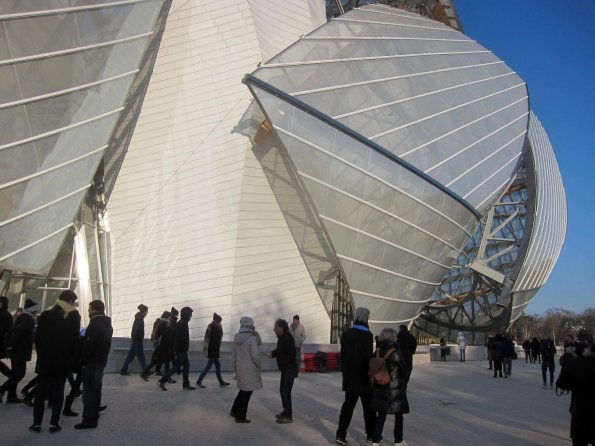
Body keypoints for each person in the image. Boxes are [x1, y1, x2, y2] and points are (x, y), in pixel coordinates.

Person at [30, 290, 81, 433]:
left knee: (40, 393)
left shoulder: (46, 315)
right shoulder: (73, 316)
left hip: (45, 361)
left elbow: (38, 339)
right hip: (62, 362)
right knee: (58, 392)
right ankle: (54, 423)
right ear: (70, 302)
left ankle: (36, 423)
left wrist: (42, 354)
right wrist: (70, 359)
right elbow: (74, 341)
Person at [335, 307, 375, 445]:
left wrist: (345, 372)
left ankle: (340, 435)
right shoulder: (368, 335)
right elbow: (368, 357)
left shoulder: (346, 334)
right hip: (364, 378)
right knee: (368, 408)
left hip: (350, 377)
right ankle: (371, 435)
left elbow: (343, 356)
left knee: (348, 407)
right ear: (366, 318)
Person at [74, 300, 113, 429]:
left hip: (91, 363)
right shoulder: (107, 325)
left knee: (89, 391)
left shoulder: (94, 325)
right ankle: (94, 415)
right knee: (96, 390)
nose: (88, 311)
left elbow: (88, 346)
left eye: (89, 309)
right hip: (101, 361)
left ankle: (89, 419)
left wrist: (82, 361)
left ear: (95, 309)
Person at [369, 328, 410, 446]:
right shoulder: (396, 352)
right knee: (399, 415)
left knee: (381, 415)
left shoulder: (377, 352)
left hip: (379, 386)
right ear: (393, 337)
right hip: (395, 388)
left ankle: (375, 440)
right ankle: (398, 440)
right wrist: (403, 383)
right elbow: (404, 370)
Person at [557, 342, 595, 446]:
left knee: (579, 438)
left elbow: (562, 382)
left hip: (582, 409)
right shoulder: (582, 363)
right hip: (583, 409)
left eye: (587, 348)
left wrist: (568, 354)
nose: (585, 350)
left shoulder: (584, 364)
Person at [0, 298, 37, 403]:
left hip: (16, 350)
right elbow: (19, 331)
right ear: (32, 309)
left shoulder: (22, 317)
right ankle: (2, 389)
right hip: (20, 351)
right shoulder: (28, 319)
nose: (37, 312)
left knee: (15, 373)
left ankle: (11, 396)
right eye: (35, 310)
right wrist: (12, 344)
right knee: (19, 374)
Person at [230, 316, 262, 423]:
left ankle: (234, 410)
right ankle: (240, 416)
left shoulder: (236, 337)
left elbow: (234, 355)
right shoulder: (252, 338)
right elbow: (255, 355)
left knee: (243, 390)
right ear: (250, 325)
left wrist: (234, 368)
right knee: (247, 393)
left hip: (240, 368)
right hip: (250, 369)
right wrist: (259, 365)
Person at [268, 318, 297, 424]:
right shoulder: (281, 337)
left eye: (275, 327)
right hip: (285, 369)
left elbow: (291, 355)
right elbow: (280, 350)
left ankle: (288, 416)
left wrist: (283, 363)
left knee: (285, 392)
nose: (273, 329)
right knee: (283, 391)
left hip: (289, 369)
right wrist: (273, 353)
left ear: (281, 327)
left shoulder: (288, 338)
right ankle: (286, 411)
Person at [159, 306, 195, 390]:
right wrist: (182, 348)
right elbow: (180, 338)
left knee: (186, 366)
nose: (191, 316)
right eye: (190, 314)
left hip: (182, 349)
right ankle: (162, 380)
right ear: (187, 315)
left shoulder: (181, 323)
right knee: (177, 367)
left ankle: (186, 384)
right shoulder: (182, 324)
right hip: (181, 349)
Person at [197, 313, 229, 388]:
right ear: (217, 321)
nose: (220, 323)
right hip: (213, 351)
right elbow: (215, 340)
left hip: (213, 350)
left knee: (217, 366)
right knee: (208, 367)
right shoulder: (215, 327)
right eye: (220, 321)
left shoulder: (212, 326)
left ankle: (221, 382)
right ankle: (199, 381)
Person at [120, 304, 150, 379]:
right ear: (144, 311)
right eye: (146, 311)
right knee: (141, 356)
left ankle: (123, 370)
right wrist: (138, 338)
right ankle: (146, 371)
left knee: (130, 356)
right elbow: (136, 331)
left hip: (135, 340)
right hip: (137, 341)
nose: (147, 313)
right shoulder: (139, 319)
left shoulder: (138, 318)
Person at [147, 311, 174, 379]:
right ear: (167, 317)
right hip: (162, 345)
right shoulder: (163, 323)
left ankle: (150, 373)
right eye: (169, 317)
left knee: (158, 361)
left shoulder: (162, 322)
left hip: (161, 345)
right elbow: (165, 334)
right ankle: (166, 378)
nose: (170, 318)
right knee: (165, 361)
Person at [0, 296, 14, 379]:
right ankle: (11, 376)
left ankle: (11, 375)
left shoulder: (5, 315)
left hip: (1, 342)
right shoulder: (5, 314)